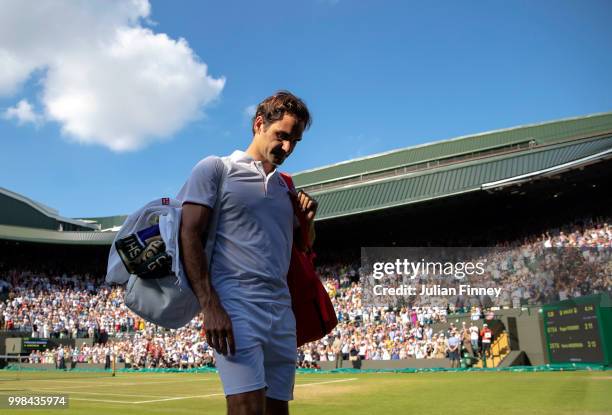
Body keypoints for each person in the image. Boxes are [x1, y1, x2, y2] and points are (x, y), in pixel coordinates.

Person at [179, 91, 315, 415]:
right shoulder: (216, 169)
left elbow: (302, 248)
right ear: (258, 124)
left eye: (294, 141)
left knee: (277, 410)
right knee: (246, 408)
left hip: (282, 309)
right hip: (236, 303)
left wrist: (307, 222)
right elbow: (189, 233)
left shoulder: (287, 186)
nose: (287, 148)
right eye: (282, 136)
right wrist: (210, 306)